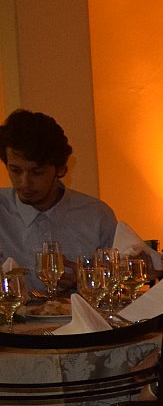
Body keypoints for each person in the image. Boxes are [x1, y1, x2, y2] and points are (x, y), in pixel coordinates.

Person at [0, 109, 116, 292]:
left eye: (37, 172)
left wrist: (87, 283)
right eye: (15, 170)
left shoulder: (96, 216)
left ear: (61, 169)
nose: (24, 183)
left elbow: (116, 290)